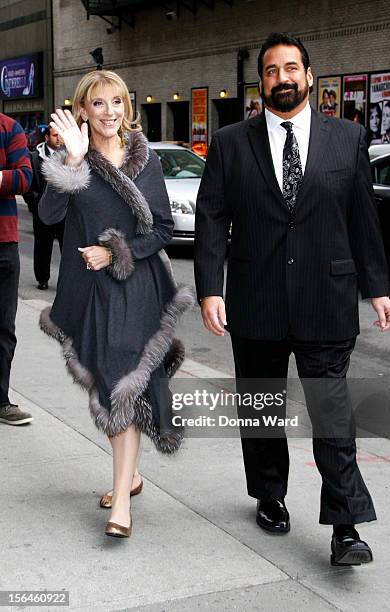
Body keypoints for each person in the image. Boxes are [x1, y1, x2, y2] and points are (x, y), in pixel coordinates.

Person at [194, 32, 390, 566]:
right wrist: (210, 289)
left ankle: (347, 527)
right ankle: (268, 493)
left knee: (332, 416)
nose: (281, 78)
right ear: (260, 82)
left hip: (325, 300)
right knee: (261, 409)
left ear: (309, 76)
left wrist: (376, 286)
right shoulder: (231, 143)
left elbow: (362, 219)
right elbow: (212, 216)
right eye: (270, 70)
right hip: (255, 300)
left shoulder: (347, 140)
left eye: (291, 68)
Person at [38, 70, 193, 538]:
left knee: (122, 385)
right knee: (107, 384)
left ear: (128, 107)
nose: (109, 112)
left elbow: (162, 229)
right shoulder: (74, 160)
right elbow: (47, 216)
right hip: (89, 294)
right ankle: (132, 476)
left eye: (117, 102)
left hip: (137, 288)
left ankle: (120, 499)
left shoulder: (144, 161)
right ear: (83, 110)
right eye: (99, 104)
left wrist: (116, 251)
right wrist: (69, 161)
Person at [0, 112, 33, 426]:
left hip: (3, 243)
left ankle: (1, 401)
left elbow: (24, 178)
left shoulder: (10, 128)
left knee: (3, 328)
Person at [23, 126, 65, 290]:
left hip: (64, 211)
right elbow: (28, 185)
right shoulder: (34, 157)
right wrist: (35, 206)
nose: (58, 139)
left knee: (67, 247)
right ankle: (42, 279)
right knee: (42, 246)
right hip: (41, 210)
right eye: (55, 135)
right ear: (46, 137)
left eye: (60, 135)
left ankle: (67, 280)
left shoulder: (68, 156)